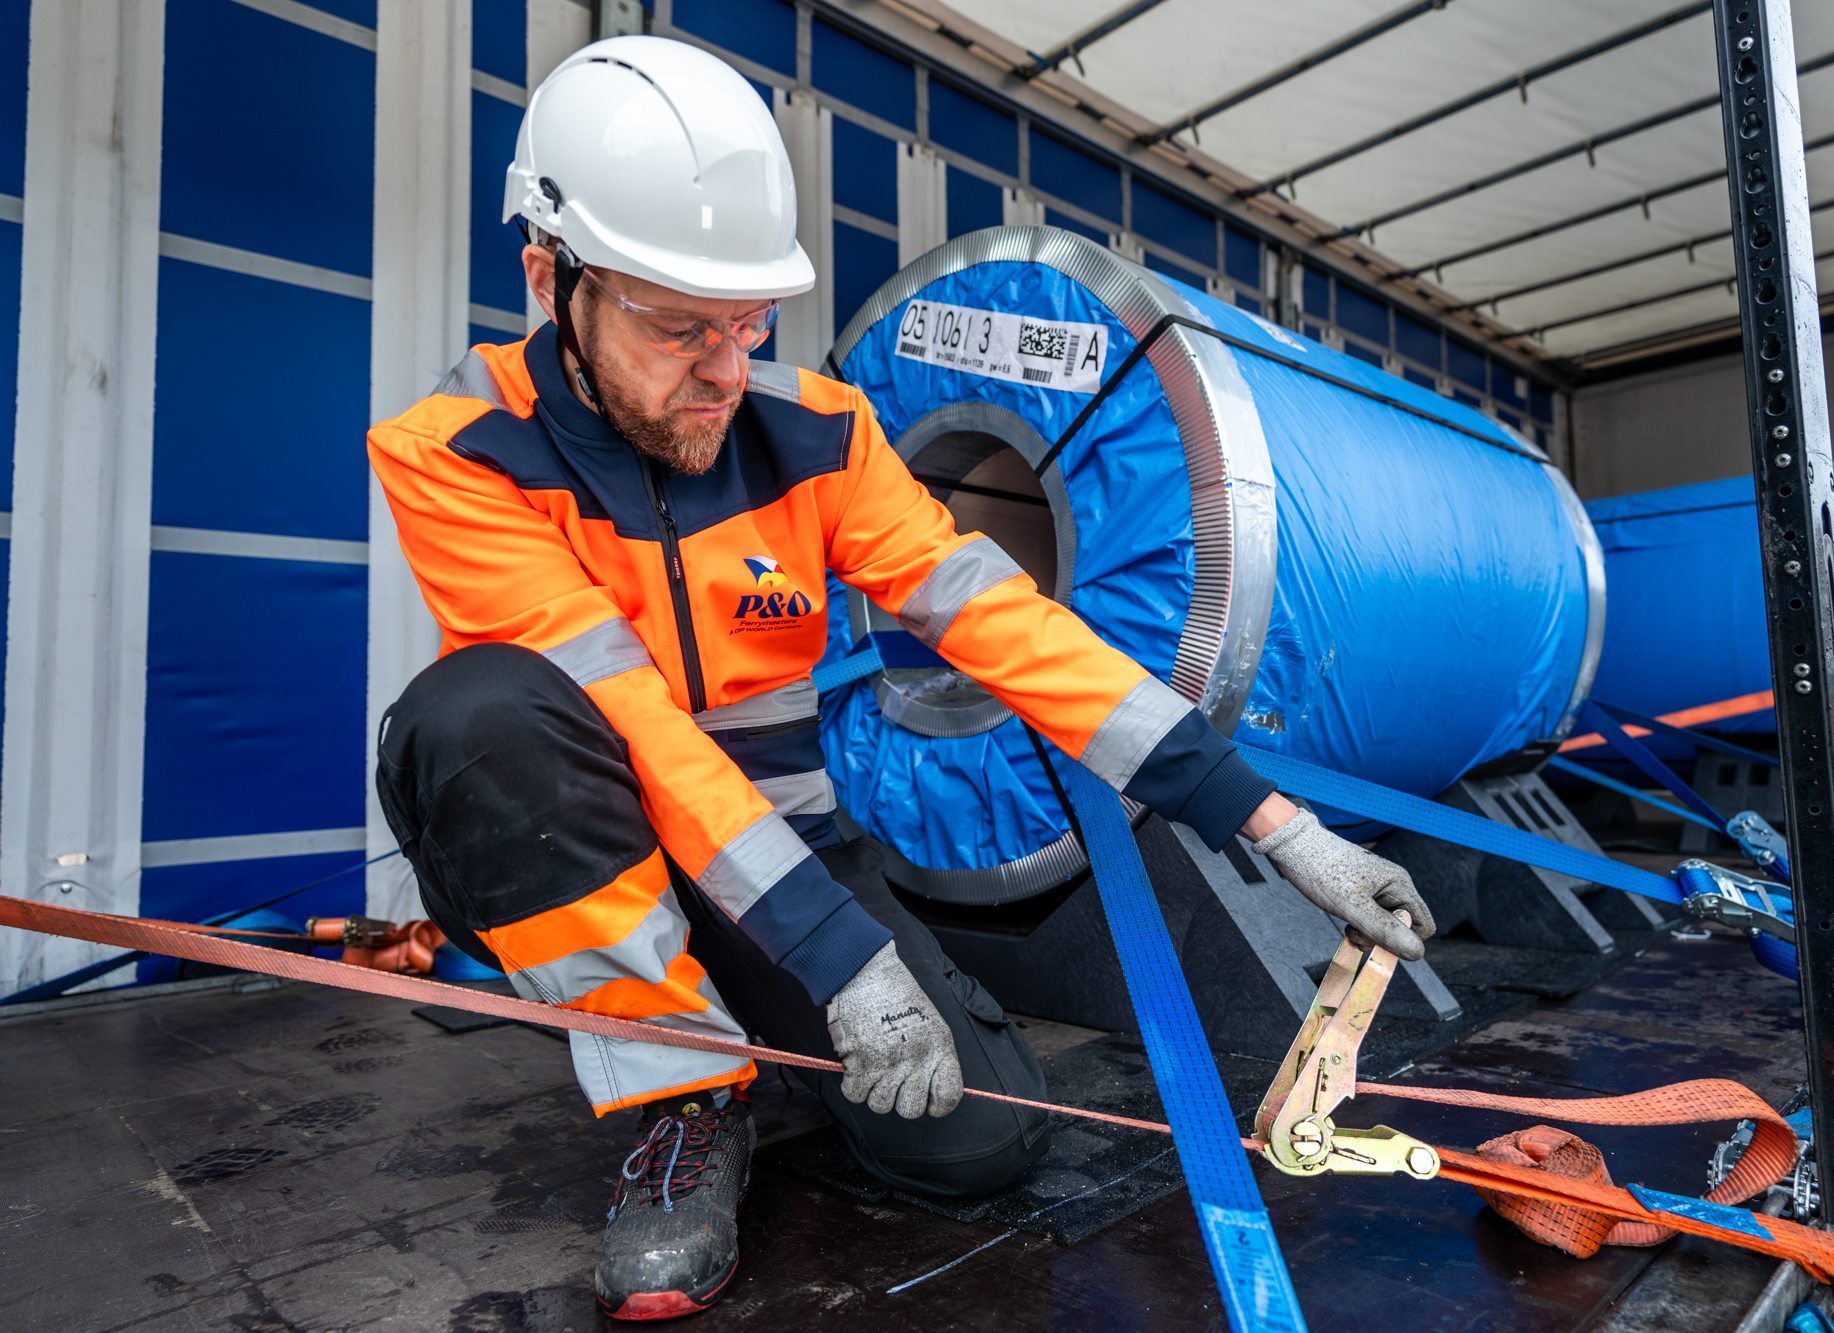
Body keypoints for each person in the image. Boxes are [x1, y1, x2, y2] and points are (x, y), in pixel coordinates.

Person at [366, 35, 1435, 1322]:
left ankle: (746, 1035)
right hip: (595, 854)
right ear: (551, 279)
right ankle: (679, 1089)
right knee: (474, 713)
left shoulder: (820, 433)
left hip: (790, 854)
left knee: (972, 1146)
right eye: (676, 325)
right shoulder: (458, 450)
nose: (724, 364)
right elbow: (633, 722)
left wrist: (1275, 825)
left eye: (749, 319)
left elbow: (1005, 627)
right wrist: (844, 964)